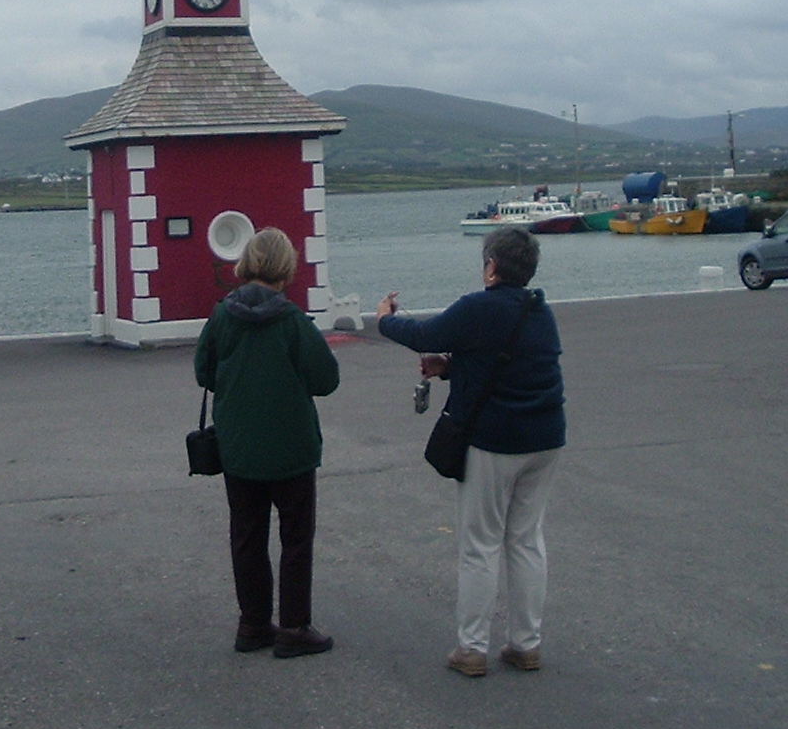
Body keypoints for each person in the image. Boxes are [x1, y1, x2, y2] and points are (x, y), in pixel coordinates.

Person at [375, 226, 565, 678]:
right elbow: (511, 362)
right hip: (546, 436)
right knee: (525, 539)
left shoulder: (478, 307)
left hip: (495, 440)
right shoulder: (540, 311)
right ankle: (526, 643)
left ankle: (472, 648)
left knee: (480, 544)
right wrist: (453, 369)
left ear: (492, 266)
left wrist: (384, 318)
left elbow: (423, 335)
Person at [194, 227, 341, 658]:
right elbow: (326, 380)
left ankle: (253, 624)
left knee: (247, 535)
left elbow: (204, 373)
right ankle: (295, 627)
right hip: (292, 447)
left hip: (237, 446)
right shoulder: (293, 321)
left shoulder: (222, 314)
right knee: (295, 538)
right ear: (285, 266)